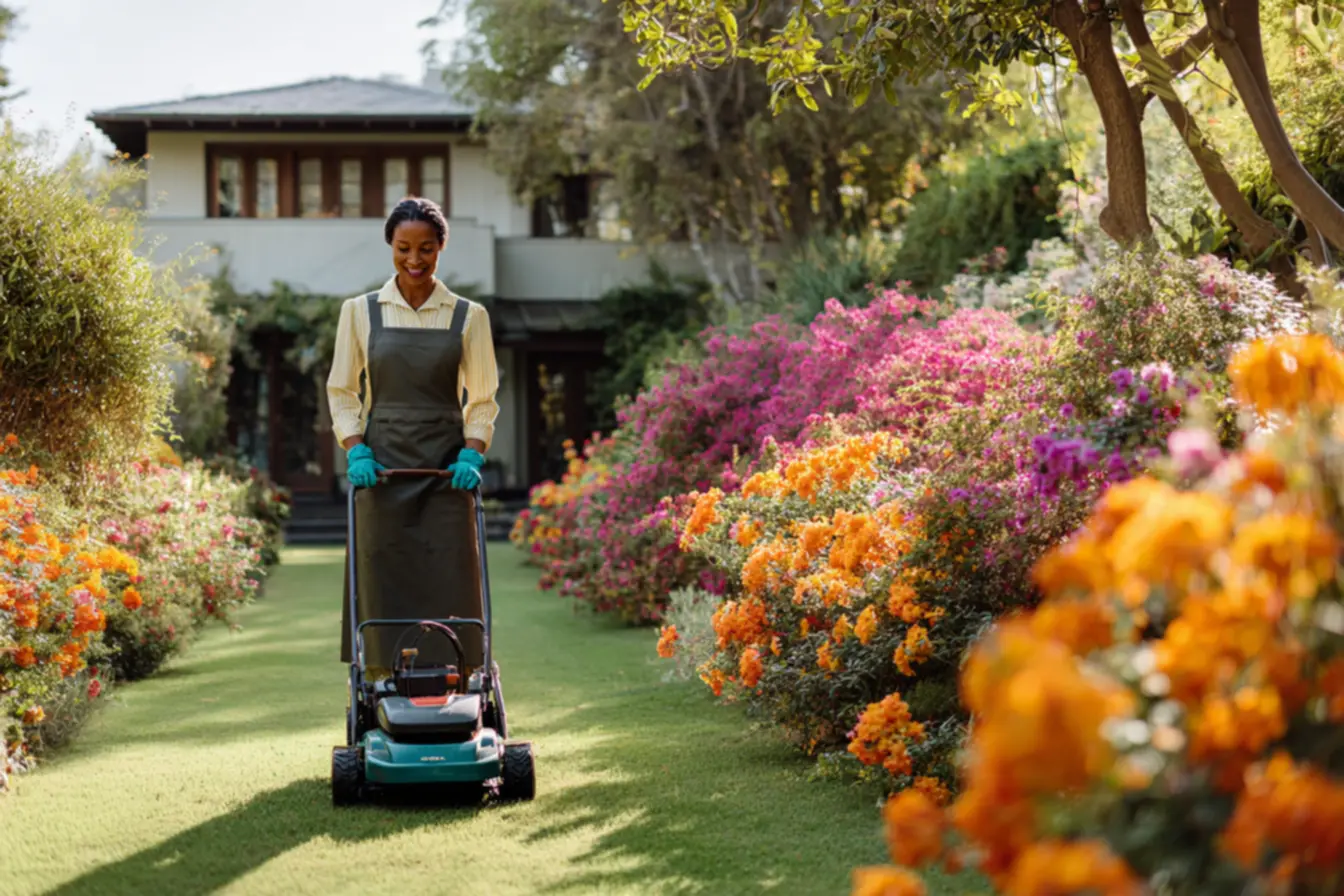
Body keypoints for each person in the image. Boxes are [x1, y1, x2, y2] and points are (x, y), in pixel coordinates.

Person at [327, 196, 499, 681]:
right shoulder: (359, 312)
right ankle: (381, 679)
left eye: (426, 248)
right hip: (381, 473)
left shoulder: (469, 316)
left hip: (447, 475)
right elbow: (342, 389)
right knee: (381, 580)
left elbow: (482, 398)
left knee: (452, 578)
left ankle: (459, 674)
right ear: (391, 246)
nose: (415, 260)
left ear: (441, 247)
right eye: (404, 248)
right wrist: (354, 447)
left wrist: (473, 452)